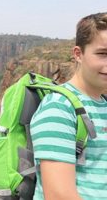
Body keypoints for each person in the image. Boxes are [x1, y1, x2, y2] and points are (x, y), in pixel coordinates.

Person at [30, 12, 107, 200]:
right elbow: (59, 196)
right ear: (78, 54)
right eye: (103, 54)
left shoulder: (103, 104)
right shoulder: (59, 107)